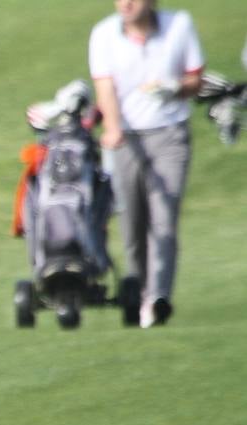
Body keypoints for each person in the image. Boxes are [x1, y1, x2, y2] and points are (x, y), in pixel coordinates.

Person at [89, 0, 204, 328]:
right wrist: (112, 128)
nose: (125, 3)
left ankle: (159, 297)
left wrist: (176, 88)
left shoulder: (178, 25)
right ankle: (136, 292)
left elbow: (197, 79)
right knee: (132, 223)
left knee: (164, 218)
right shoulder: (103, 35)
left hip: (170, 135)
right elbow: (105, 87)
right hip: (125, 139)